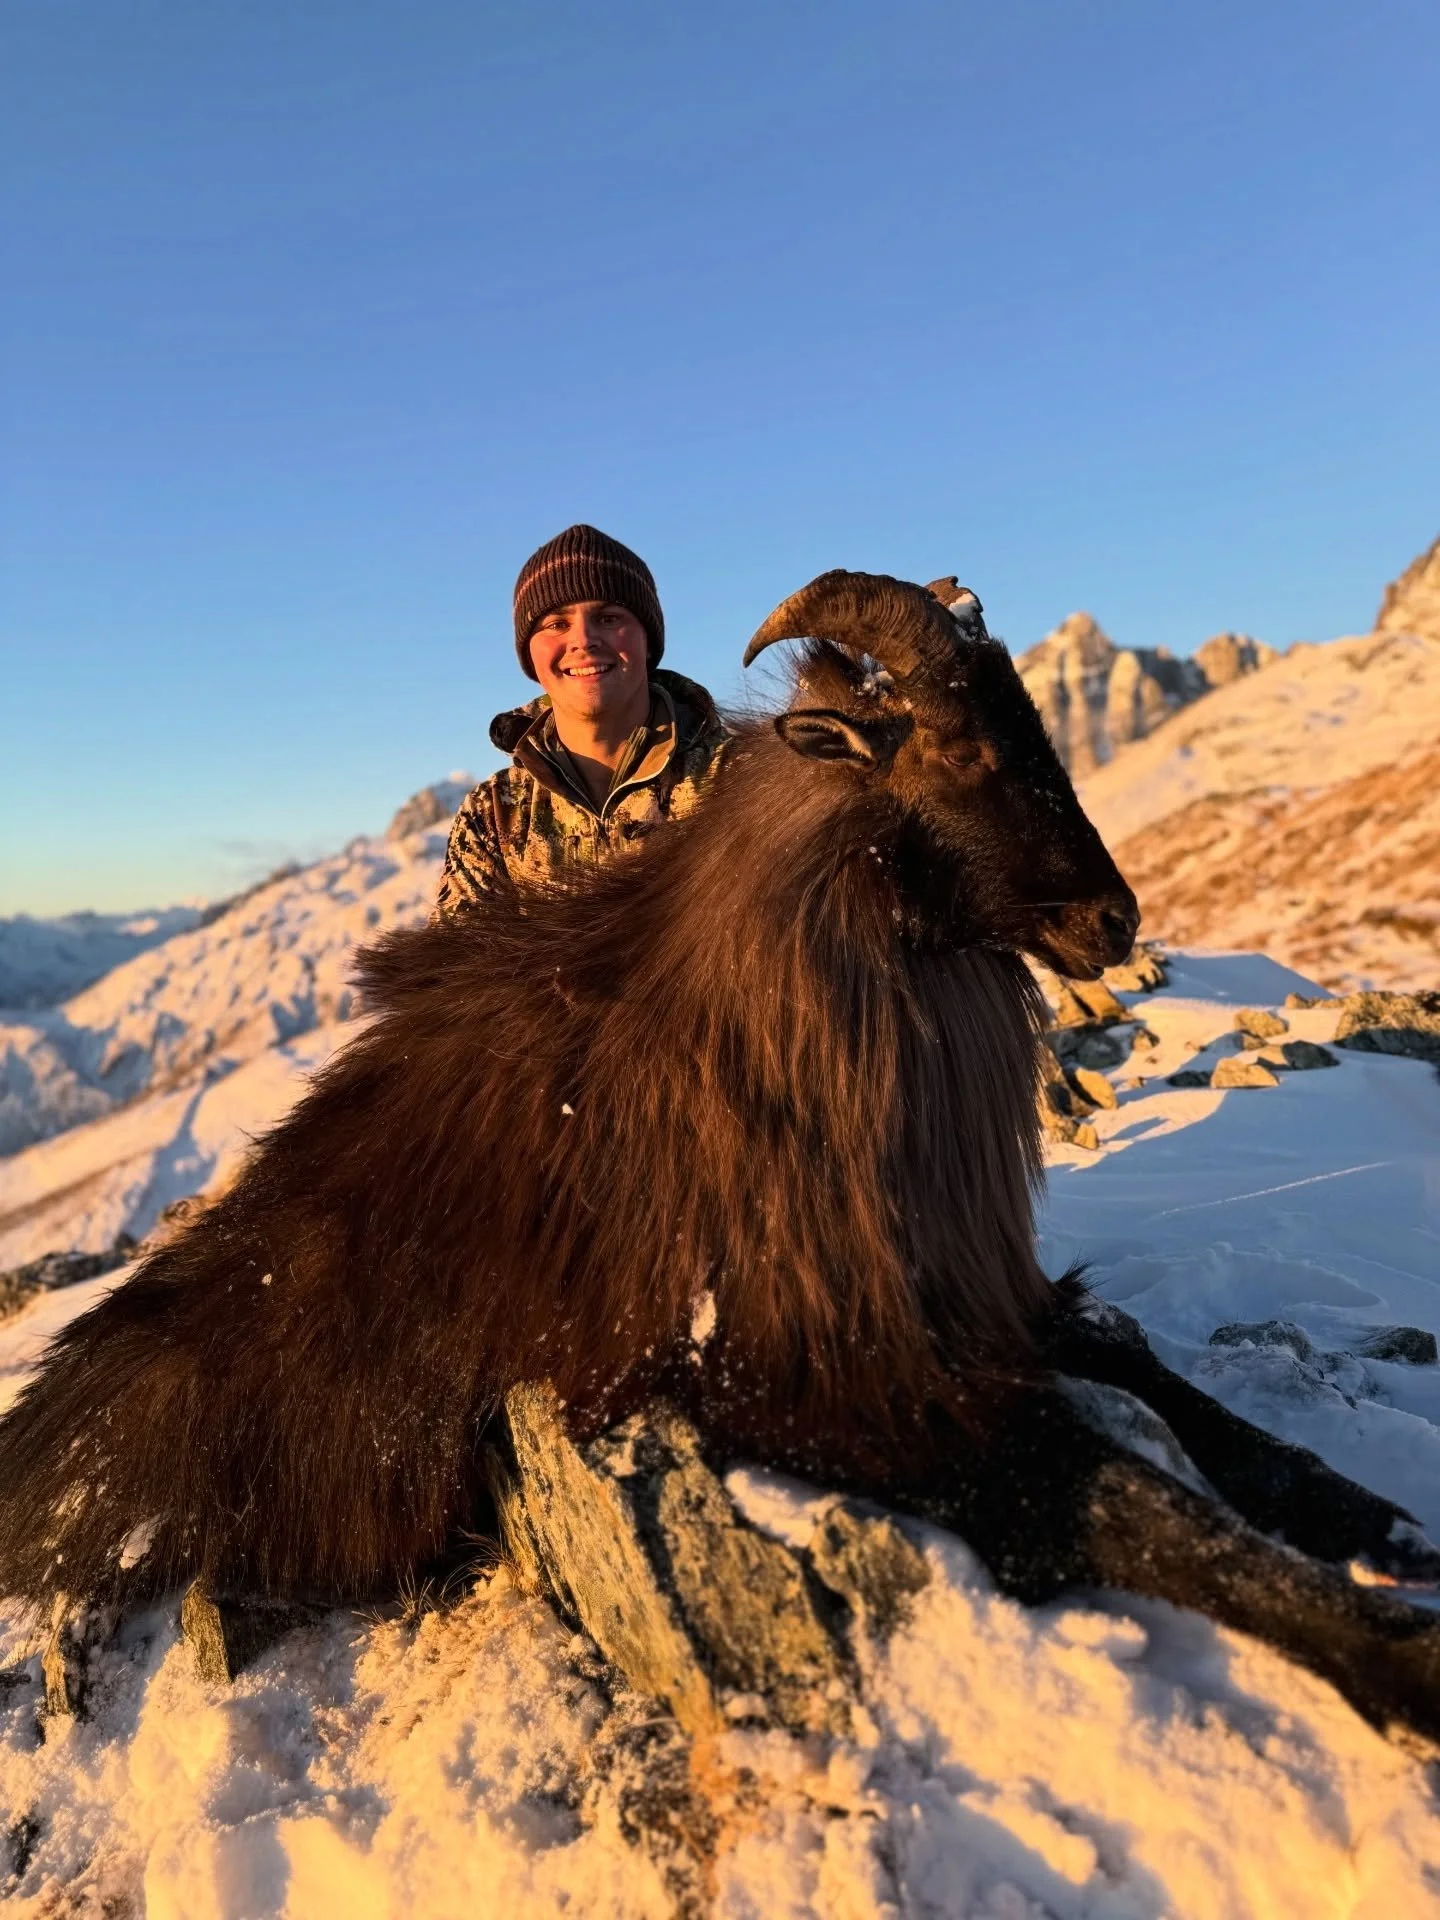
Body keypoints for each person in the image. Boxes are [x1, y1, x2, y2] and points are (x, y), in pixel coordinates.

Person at [435, 525, 729, 917]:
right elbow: (458, 971)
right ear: (529, 653)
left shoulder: (736, 781)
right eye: (556, 624)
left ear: (647, 640)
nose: (584, 640)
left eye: (608, 618)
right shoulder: (493, 813)